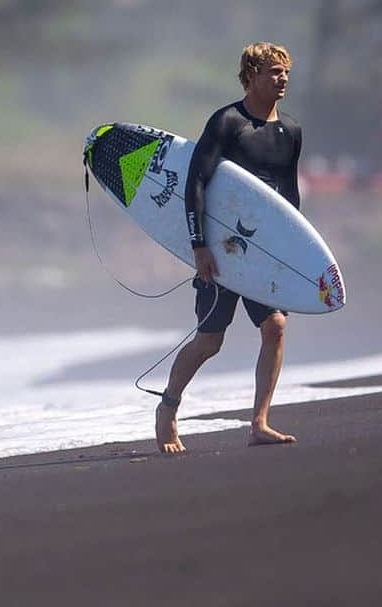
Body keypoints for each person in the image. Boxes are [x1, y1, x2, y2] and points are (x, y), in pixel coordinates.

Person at [155, 42, 302, 455]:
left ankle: (259, 422)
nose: (283, 79)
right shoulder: (227, 123)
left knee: (275, 326)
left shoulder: (290, 131)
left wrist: (290, 249)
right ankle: (168, 407)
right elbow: (195, 184)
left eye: (286, 72)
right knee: (210, 341)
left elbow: (287, 196)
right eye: (274, 72)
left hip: (263, 250)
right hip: (221, 248)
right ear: (251, 75)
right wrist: (199, 246)